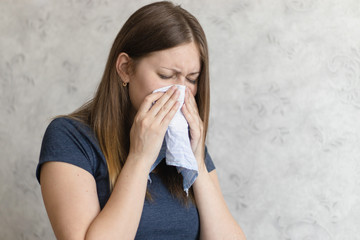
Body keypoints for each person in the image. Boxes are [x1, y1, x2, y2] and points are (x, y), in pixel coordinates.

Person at [36, 1, 247, 239]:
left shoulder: (183, 145)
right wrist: (140, 157)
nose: (180, 92)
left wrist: (196, 160)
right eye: (166, 75)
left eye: (191, 79)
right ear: (125, 68)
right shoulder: (70, 137)